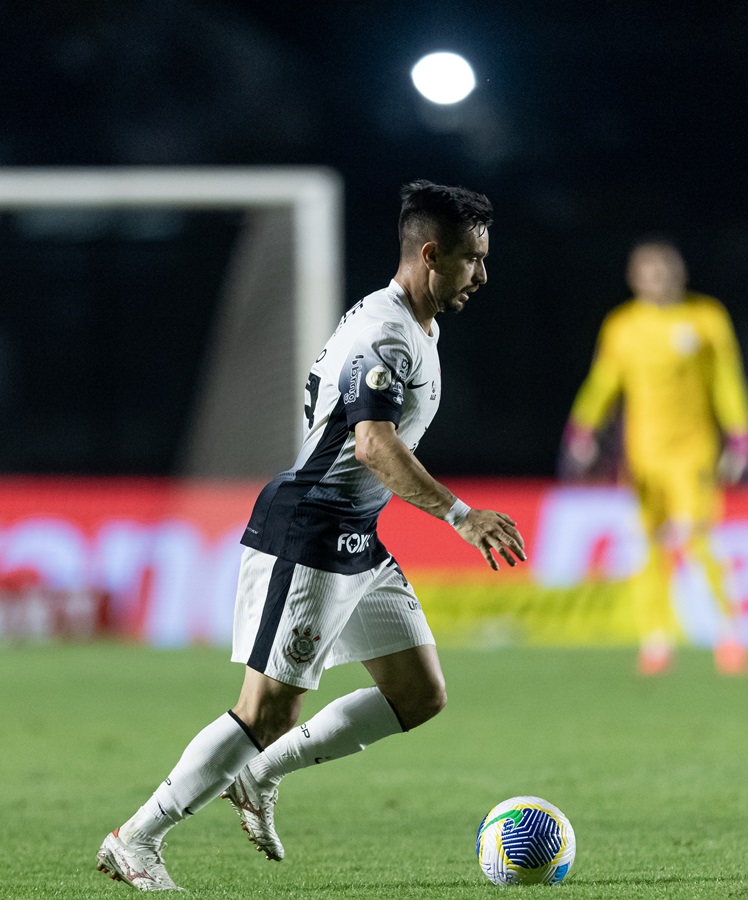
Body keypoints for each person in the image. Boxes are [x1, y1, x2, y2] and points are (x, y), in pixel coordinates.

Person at [96, 180, 526, 891]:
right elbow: (372, 446)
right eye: (471, 260)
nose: (482, 275)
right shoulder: (388, 334)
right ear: (429, 255)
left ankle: (259, 775)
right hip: (309, 530)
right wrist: (460, 515)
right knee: (266, 709)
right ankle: (137, 838)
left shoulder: (418, 322)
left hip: (357, 532)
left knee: (417, 693)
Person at [559, 239, 748, 676]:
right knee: (648, 546)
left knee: (698, 539)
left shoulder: (707, 318)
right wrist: (583, 428)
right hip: (643, 456)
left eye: (666, 270)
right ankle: (655, 639)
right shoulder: (622, 326)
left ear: (681, 272)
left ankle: (729, 634)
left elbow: (727, 381)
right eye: (649, 272)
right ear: (635, 279)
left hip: (694, 452)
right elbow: (604, 382)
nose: (659, 279)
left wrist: (742, 436)